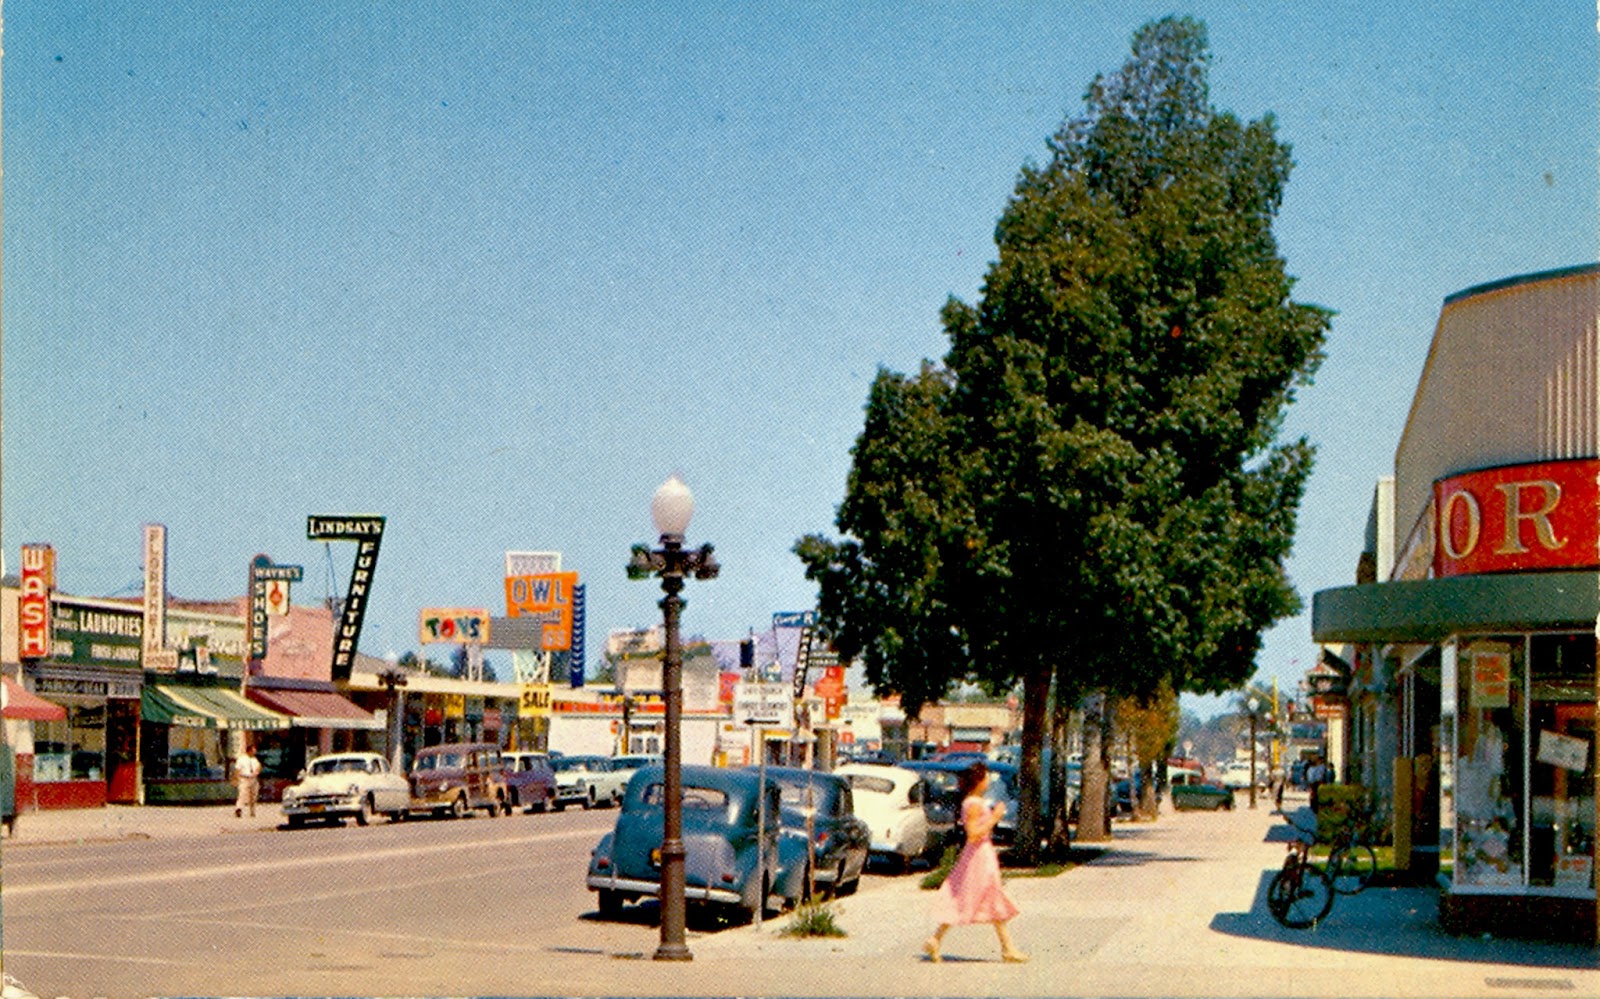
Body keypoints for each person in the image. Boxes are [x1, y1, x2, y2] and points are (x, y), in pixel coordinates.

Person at [923, 761, 1028, 964]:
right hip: (979, 856)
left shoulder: (974, 802)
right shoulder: (973, 804)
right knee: (984, 895)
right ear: (978, 781)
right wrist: (994, 817)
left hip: (981, 854)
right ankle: (1007, 949)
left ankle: (937, 940)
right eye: (986, 778)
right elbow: (972, 834)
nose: (988, 782)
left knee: (984, 896)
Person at [234, 742, 262, 819]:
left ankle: (252, 811)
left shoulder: (254, 759)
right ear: (249, 750)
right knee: (242, 794)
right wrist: (236, 779)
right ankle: (239, 808)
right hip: (244, 778)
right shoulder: (241, 759)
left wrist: (257, 771)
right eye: (254, 750)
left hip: (253, 778)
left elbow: (259, 766)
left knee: (253, 795)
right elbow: (237, 769)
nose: (255, 752)